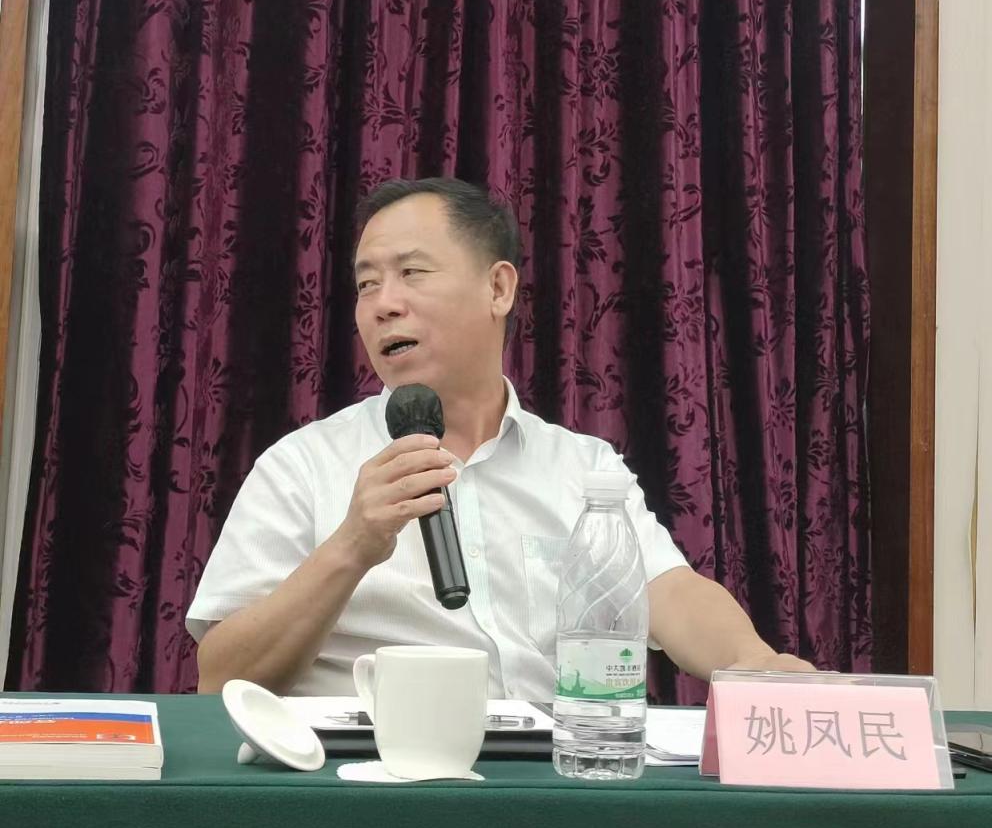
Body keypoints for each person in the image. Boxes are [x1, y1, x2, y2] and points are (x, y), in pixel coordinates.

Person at [187, 178, 812, 697]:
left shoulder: (581, 466)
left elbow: (670, 593)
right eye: (367, 283)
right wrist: (352, 545)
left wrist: (755, 662)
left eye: (412, 272)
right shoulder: (302, 466)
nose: (383, 304)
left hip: (554, 777)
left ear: (498, 288)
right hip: (373, 780)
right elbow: (220, 679)